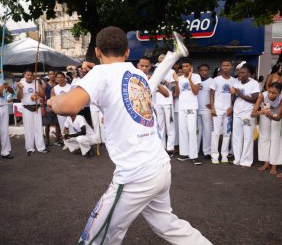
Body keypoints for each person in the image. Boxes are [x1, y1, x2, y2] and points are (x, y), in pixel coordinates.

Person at [47, 26, 211, 245]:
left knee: (94, 239)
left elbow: (67, 105)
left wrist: (52, 101)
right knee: (168, 224)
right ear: (127, 52)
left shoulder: (101, 73)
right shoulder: (137, 74)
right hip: (159, 167)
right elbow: (113, 81)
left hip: (136, 174)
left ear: (97, 51)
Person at [252, 82, 282, 174]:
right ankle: (266, 162)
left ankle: (274, 164)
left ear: (279, 93)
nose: (270, 94)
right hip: (264, 114)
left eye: (274, 93)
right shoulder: (262, 95)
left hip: (275, 116)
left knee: (276, 139)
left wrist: (271, 116)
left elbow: (278, 117)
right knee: (264, 138)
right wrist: (261, 112)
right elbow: (253, 113)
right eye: (269, 91)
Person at [230, 63, 260, 167]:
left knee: (247, 138)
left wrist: (240, 94)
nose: (239, 74)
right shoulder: (237, 83)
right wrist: (233, 94)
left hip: (247, 114)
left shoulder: (254, 83)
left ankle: (246, 161)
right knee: (236, 137)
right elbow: (234, 98)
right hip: (237, 113)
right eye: (239, 72)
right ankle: (237, 159)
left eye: (243, 73)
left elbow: (255, 99)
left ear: (249, 74)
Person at [173, 58, 201, 165]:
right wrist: (176, 82)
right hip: (182, 107)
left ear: (191, 67)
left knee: (192, 130)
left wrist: (189, 79)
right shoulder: (179, 78)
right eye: (183, 66)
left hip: (191, 107)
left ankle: (194, 156)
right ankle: (184, 154)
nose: (185, 68)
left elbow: (196, 92)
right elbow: (176, 94)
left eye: (186, 66)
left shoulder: (196, 76)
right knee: (182, 131)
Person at [210, 60, 237, 164]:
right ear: (221, 67)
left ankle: (224, 155)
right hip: (217, 109)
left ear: (231, 67)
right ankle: (215, 156)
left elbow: (235, 96)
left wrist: (232, 107)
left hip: (228, 110)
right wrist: (212, 108)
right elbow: (211, 94)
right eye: (224, 65)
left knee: (227, 133)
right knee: (215, 133)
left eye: (228, 65)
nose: (226, 67)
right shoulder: (216, 80)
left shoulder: (234, 81)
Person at [16, 70, 48, 155]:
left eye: (31, 75)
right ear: (25, 75)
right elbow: (19, 97)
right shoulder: (21, 83)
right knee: (28, 128)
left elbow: (42, 94)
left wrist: (39, 88)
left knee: (38, 128)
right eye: (28, 75)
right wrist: (20, 88)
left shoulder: (36, 83)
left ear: (33, 76)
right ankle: (30, 148)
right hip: (27, 108)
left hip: (36, 108)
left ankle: (41, 147)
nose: (29, 77)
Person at [154, 54, 175, 156]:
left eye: (164, 61)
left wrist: (163, 80)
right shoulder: (156, 71)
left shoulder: (172, 72)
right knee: (160, 126)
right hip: (158, 102)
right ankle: (162, 147)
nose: (162, 63)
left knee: (170, 126)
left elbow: (173, 88)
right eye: (160, 61)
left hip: (168, 102)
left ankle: (170, 148)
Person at [196, 64, 213, 159]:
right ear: (198, 71)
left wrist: (212, 104)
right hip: (196, 108)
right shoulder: (195, 81)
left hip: (207, 109)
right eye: (201, 70)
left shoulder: (211, 81)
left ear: (208, 71)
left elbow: (215, 94)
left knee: (207, 130)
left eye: (205, 70)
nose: (203, 72)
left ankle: (207, 151)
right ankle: (196, 149)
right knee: (197, 131)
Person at [42, 70, 62, 146]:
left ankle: (58, 140)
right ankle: (47, 140)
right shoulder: (45, 85)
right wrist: (43, 108)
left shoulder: (58, 84)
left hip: (57, 105)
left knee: (57, 124)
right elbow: (42, 97)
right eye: (50, 74)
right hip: (48, 106)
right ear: (48, 75)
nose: (52, 75)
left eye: (53, 74)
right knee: (47, 124)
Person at [51, 71, 71, 140]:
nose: (60, 79)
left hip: (70, 110)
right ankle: (66, 143)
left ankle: (74, 143)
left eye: (61, 77)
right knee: (63, 127)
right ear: (56, 79)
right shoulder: (54, 88)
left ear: (64, 78)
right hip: (60, 111)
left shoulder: (70, 87)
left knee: (71, 127)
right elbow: (52, 100)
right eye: (58, 77)